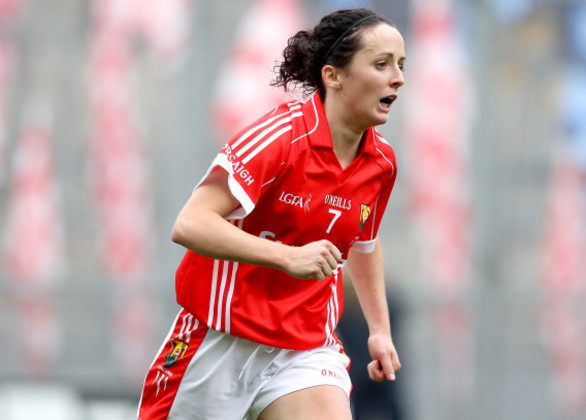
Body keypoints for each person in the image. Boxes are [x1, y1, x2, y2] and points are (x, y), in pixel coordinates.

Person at [137, 7, 406, 420]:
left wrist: (380, 331)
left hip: (304, 349)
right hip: (219, 342)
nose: (398, 78)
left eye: (401, 65)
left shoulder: (381, 162)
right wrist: (288, 257)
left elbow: (364, 244)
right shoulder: (280, 139)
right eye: (382, 64)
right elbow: (190, 223)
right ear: (333, 76)